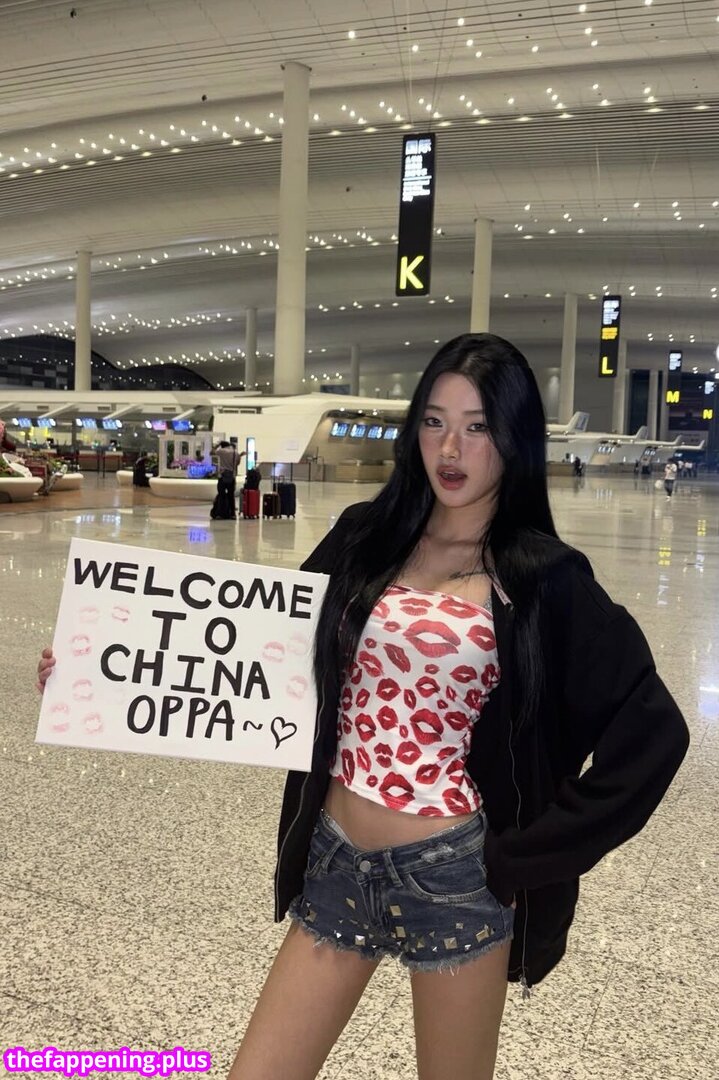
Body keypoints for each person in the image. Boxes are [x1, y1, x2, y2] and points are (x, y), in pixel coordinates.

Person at [37, 333, 689, 1080]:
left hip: (453, 876)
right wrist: (94, 665)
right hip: (336, 859)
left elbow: (653, 735)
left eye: (477, 426)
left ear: (514, 438)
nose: (450, 448)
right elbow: (256, 649)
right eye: (434, 421)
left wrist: (524, 855)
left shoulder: (543, 578)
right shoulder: (365, 538)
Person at [211, 440, 245, 520]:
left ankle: (220, 514)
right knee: (231, 495)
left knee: (221, 495)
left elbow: (211, 453)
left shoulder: (220, 451)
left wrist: (217, 445)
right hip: (231, 477)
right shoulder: (235, 452)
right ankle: (232, 514)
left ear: (222, 446)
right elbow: (237, 463)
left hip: (222, 476)